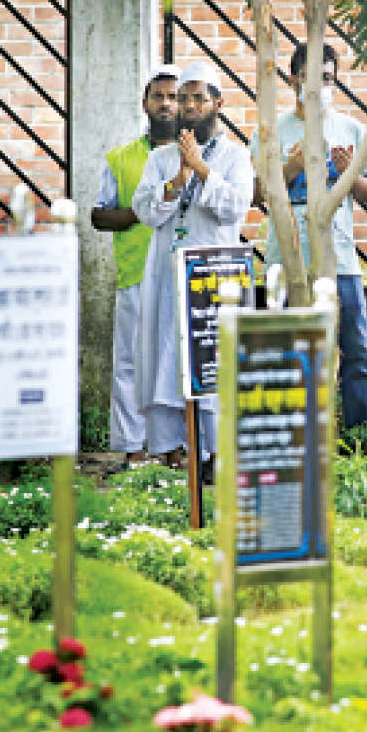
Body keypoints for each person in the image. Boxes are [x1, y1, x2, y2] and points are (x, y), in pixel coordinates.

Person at [252, 42, 367, 432]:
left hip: (339, 259)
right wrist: (291, 167)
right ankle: (289, 437)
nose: (320, 85)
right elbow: (256, 194)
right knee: (285, 351)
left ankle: (366, 437)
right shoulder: (271, 130)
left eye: (327, 78)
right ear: (294, 80)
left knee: (357, 351)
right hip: (286, 259)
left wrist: (349, 173)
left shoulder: (350, 129)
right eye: (311, 77)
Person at [131, 62, 254, 468]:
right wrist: (178, 180)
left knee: (213, 362)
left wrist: (201, 169)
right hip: (167, 274)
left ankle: (217, 455)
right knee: (166, 360)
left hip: (215, 276)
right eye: (184, 99)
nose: (189, 106)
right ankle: (171, 451)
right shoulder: (160, 158)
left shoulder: (236, 156)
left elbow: (235, 208)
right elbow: (144, 210)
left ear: (218, 103)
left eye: (199, 98)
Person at [92, 70, 179, 465]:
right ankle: (132, 449)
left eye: (173, 97)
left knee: (178, 361)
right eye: (158, 96)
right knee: (129, 362)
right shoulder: (122, 158)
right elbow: (98, 214)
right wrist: (140, 211)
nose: (166, 104)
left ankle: (177, 448)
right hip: (136, 272)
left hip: (180, 274)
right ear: (145, 103)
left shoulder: (194, 156)